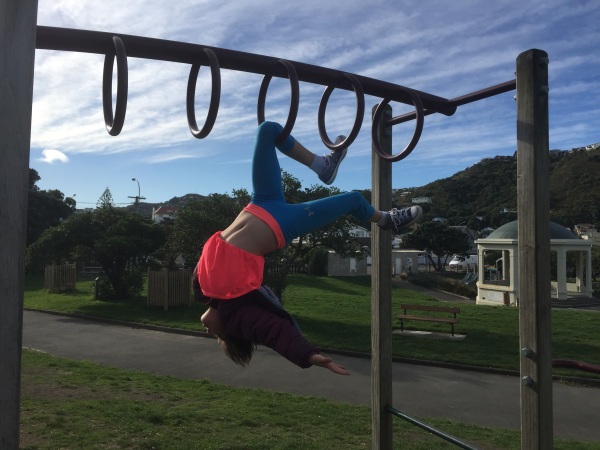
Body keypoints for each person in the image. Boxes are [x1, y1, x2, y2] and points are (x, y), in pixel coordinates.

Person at [195, 121, 422, 375]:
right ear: (231, 331)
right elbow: (272, 331)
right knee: (353, 200)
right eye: (217, 336)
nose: (207, 330)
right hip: (280, 225)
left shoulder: (204, 287)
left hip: (260, 203)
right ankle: (387, 220)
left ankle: (323, 166)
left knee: (268, 129)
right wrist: (308, 354)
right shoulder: (238, 313)